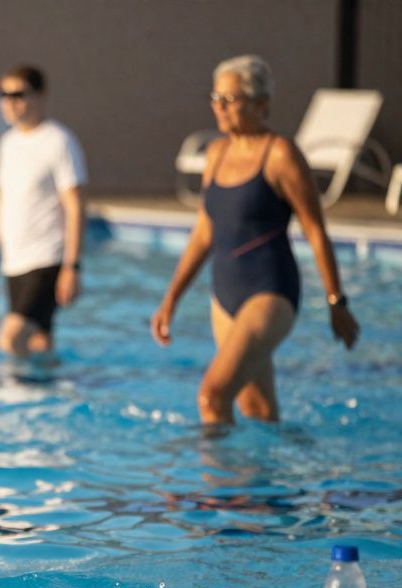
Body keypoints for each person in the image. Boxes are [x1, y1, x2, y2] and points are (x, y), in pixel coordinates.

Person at [150, 55, 360, 425]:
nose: (220, 108)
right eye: (215, 99)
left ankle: (218, 482)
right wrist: (171, 300)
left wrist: (335, 301)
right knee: (257, 410)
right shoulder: (216, 153)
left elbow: (315, 230)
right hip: (224, 293)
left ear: (260, 104)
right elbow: (203, 233)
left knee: (212, 396)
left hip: (269, 290)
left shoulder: (281, 154)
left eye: (229, 100)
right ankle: (271, 479)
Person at [0, 65, 87, 357]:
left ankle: (13, 399)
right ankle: (49, 398)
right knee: (38, 344)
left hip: (47, 260)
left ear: (40, 96)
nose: (9, 102)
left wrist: (72, 266)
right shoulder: (9, 143)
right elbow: (0, 208)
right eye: (3, 95)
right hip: (14, 262)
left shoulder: (58, 141)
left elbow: (75, 205)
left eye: (18, 94)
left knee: (10, 339)